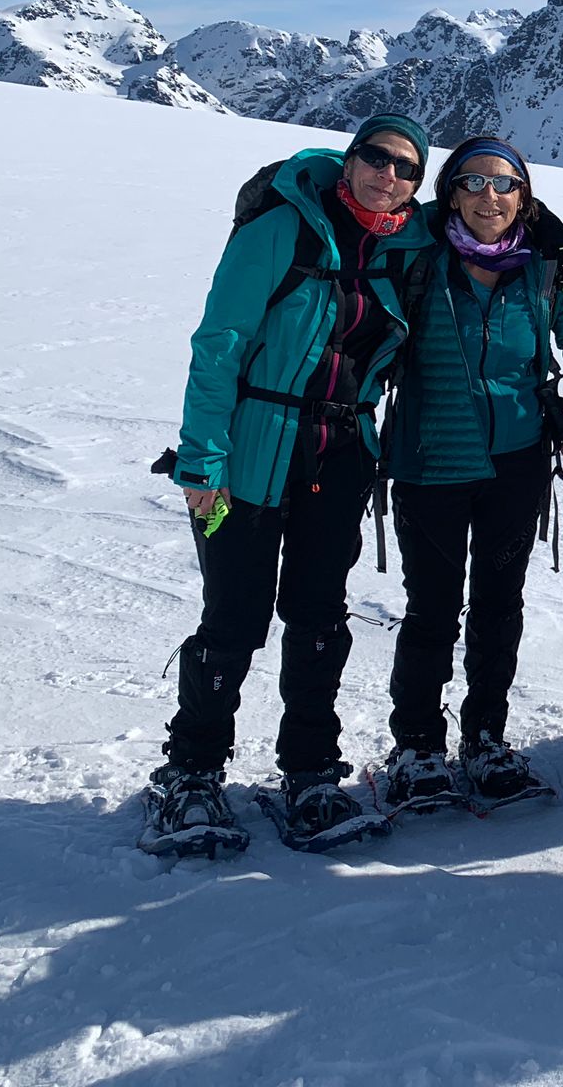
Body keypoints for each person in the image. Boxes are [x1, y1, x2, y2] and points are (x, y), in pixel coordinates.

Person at [152, 114, 435, 847]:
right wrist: (200, 457)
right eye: (375, 158)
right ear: (348, 162)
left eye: (405, 168)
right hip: (253, 449)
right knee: (234, 619)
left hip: (341, 455)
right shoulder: (283, 229)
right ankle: (192, 772)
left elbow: (508, 236)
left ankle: (310, 770)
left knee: (318, 617)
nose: (388, 175)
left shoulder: (405, 249)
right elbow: (219, 344)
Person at [377, 136, 563, 811]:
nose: (489, 197)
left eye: (503, 185)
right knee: (433, 611)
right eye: (472, 183)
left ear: (523, 199)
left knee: (500, 606)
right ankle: (418, 744)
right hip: (431, 460)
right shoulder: (420, 263)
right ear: (449, 193)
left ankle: (485, 736)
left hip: (517, 463)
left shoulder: (540, 271)